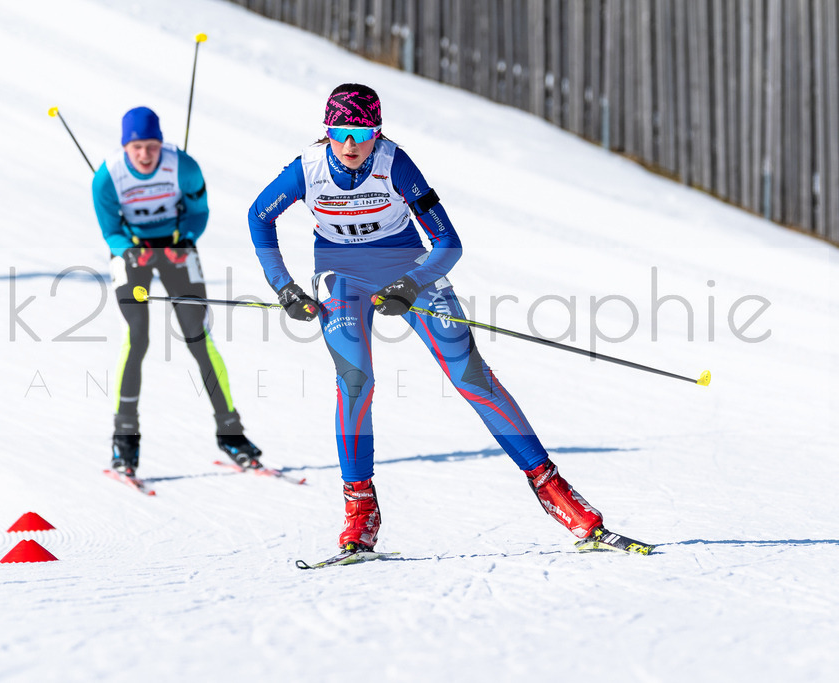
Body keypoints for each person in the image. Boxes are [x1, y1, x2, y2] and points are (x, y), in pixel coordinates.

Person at [248, 83, 640, 554]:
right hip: (341, 277)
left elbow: (449, 244)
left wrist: (412, 285)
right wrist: (284, 287)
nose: (350, 145)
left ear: (377, 132)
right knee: (355, 381)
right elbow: (258, 216)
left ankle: (559, 496)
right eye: (338, 132)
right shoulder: (306, 171)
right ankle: (360, 513)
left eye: (360, 132)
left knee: (471, 376)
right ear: (326, 132)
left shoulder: (396, 164)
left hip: (410, 270)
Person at [93, 106, 262, 476]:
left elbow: (199, 212)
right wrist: (129, 250)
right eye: (136, 146)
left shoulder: (183, 166)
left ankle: (231, 433)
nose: (145, 154)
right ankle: (124, 439)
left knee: (198, 336)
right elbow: (110, 230)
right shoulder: (107, 177)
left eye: (151, 145)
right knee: (137, 336)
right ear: (125, 147)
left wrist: (184, 238)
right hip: (132, 251)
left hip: (176, 247)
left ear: (161, 143)